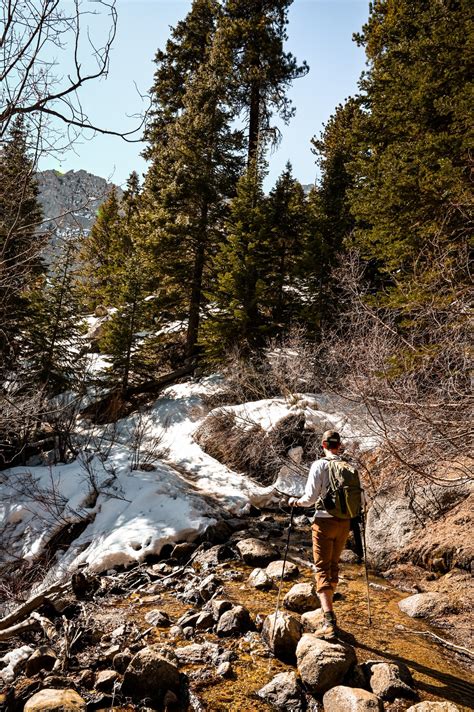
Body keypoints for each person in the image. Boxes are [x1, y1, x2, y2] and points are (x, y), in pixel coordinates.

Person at [288, 430, 351, 638]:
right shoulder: (350, 467)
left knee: (322, 569)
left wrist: (295, 502)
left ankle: (329, 622)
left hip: (324, 522)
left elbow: (310, 498)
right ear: (339, 445)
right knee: (333, 566)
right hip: (344, 523)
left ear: (323, 444)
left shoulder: (319, 465)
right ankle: (329, 609)